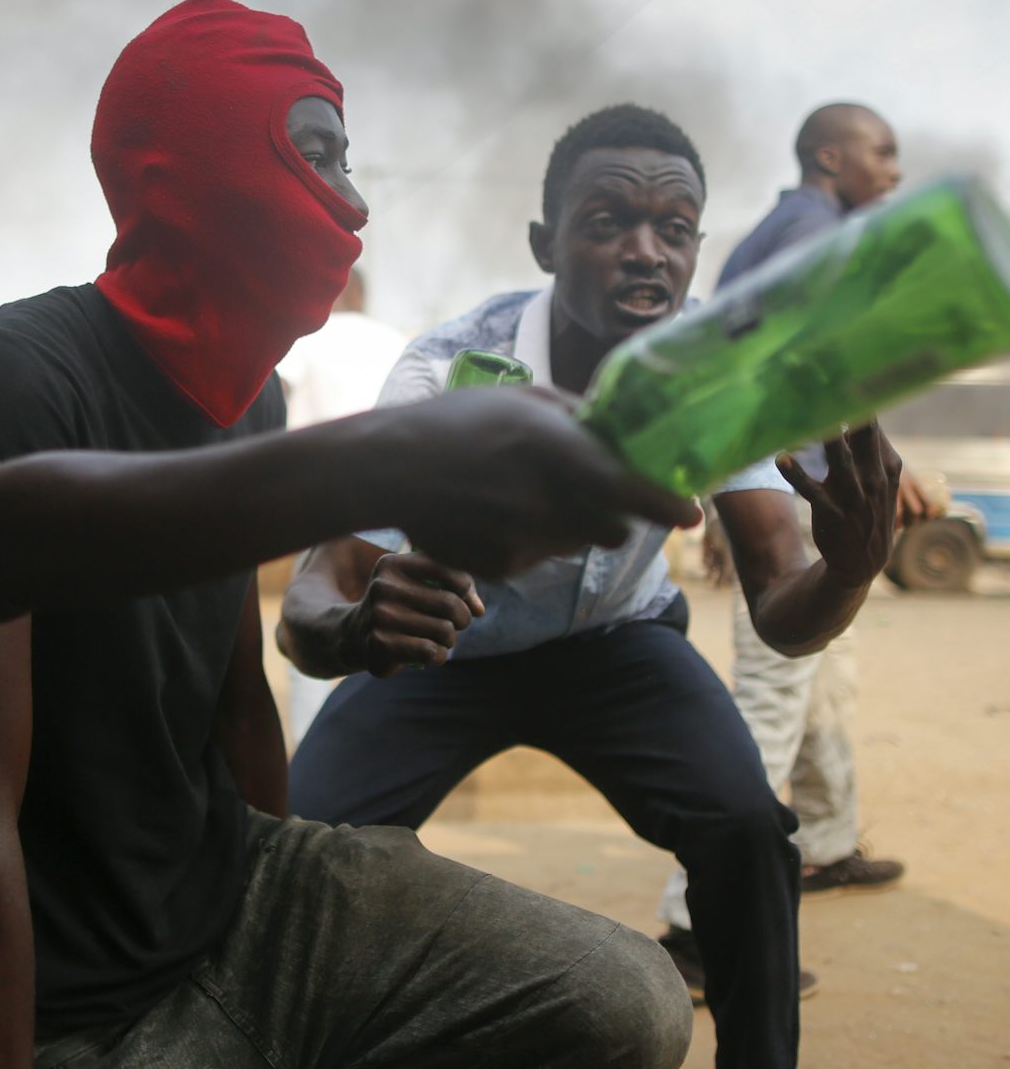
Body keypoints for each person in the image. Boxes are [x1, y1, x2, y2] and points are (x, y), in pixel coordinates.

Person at [0, 1, 695, 1069]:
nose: (353, 202)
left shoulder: (247, 397)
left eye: (345, 160)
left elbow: (238, 706)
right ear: (195, 168)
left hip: (227, 901)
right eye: (312, 154)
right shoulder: (10, 378)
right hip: (83, 1005)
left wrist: (276, 921)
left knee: (628, 1000)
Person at [279, 103, 906, 1069]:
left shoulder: (718, 375)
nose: (646, 252)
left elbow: (784, 608)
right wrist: (362, 628)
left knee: (748, 832)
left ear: (697, 250)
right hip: (451, 651)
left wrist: (852, 570)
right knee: (297, 847)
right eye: (609, 222)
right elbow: (312, 602)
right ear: (546, 243)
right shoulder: (453, 368)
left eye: (675, 229)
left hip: (618, 644)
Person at [654, 102, 917, 993]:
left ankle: (828, 845)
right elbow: (816, 370)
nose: (895, 170)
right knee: (773, 696)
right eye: (882, 152)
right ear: (829, 156)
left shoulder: (772, 236)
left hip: (785, 484)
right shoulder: (815, 232)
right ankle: (698, 926)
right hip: (802, 492)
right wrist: (753, 500)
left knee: (823, 682)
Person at [275, 266, 407, 739]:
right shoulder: (396, 341)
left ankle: (312, 743)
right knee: (390, 620)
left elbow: (275, 395)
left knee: (315, 617)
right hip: (395, 504)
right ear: (364, 296)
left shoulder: (307, 339)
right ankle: (376, 740)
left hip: (326, 502)